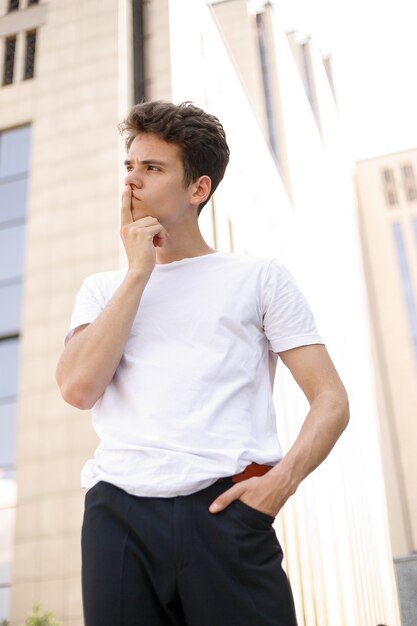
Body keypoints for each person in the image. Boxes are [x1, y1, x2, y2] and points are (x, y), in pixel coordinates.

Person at [56, 100, 349, 626]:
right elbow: (78, 388)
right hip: (118, 515)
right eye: (128, 166)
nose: (131, 182)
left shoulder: (259, 278)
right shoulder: (103, 289)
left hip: (227, 512)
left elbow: (331, 400)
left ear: (198, 189)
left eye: (151, 168)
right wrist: (139, 272)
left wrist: (281, 483)